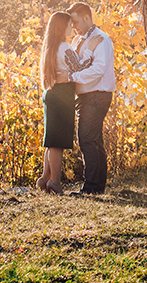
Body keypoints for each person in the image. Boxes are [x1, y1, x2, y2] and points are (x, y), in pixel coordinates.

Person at [37, 11, 103, 194]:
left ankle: (45, 178)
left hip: (51, 94)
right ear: (61, 27)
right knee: (58, 142)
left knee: (51, 140)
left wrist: (80, 45)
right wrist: (91, 49)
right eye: (68, 24)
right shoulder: (65, 48)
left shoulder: (51, 47)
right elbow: (80, 67)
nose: (71, 27)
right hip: (62, 97)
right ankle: (55, 182)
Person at [66, 2, 116, 195]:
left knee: (86, 138)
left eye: (76, 21)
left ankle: (91, 188)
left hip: (97, 95)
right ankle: (98, 186)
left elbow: (98, 70)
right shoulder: (78, 40)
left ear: (87, 17)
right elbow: (76, 65)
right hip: (85, 96)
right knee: (94, 140)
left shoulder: (100, 39)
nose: (74, 27)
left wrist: (71, 78)